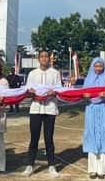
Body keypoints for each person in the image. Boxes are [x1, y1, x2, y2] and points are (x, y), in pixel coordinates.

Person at [22, 50, 61, 178]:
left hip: (50, 109)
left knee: (49, 138)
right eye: (42, 57)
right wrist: (32, 91)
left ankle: (51, 166)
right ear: (38, 59)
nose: (44, 59)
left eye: (46, 56)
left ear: (49, 58)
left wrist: (52, 92)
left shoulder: (55, 73)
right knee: (34, 138)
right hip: (35, 109)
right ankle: (30, 165)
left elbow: (59, 89)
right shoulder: (32, 74)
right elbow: (27, 91)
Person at [82, 57, 105, 179]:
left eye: (100, 66)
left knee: (103, 136)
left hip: (103, 109)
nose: (98, 68)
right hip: (91, 110)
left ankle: (101, 170)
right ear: (92, 67)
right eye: (96, 66)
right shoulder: (87, 80)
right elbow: (83, 94)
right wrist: (85, 96)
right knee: (91, 135)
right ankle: (92, 170)